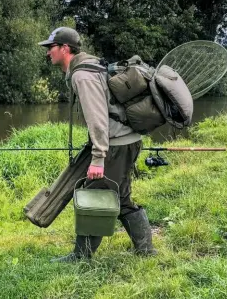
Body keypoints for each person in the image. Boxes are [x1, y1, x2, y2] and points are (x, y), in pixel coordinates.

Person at [38, 27, 157, 262]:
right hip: (125, 141)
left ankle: (81, 256)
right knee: (121, 198)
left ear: (65, 48)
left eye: (50, 48)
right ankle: (146, 250)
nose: (47, 53)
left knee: (95, 196)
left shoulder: (82, 75)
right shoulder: (89, 67)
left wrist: (98, 158)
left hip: (115, 144)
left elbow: (98, 118)